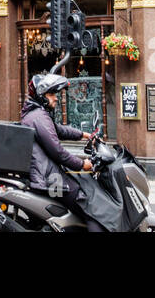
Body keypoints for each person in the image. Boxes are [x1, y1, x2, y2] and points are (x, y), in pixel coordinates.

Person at [20, 73, 103, 230]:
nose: (56, 98)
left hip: (45, 173)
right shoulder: (39, 117)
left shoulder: (36, 115)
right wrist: (82, 164)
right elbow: (57, 151)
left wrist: (84, 135)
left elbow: (59, 130)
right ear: (41, 96)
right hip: (49, 179)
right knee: (89, 206)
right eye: (51, 94)